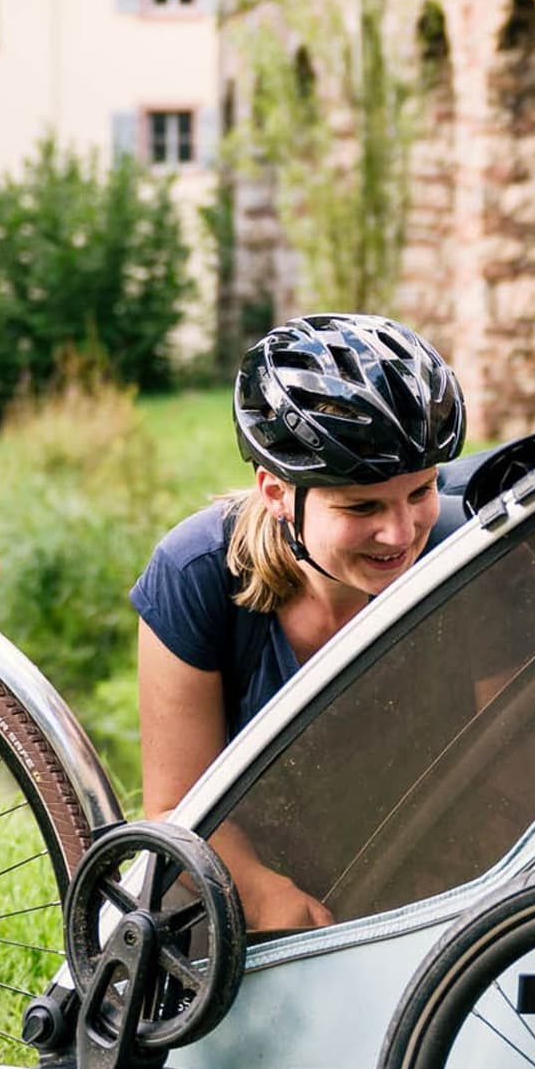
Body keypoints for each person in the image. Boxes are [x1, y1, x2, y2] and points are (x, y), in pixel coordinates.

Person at [130, 313, 469, 938]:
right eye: (362, 506)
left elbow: (532, 765)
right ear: (277, 491)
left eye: (422, 491)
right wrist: (260, 895)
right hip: (260, 877)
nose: (400, 534)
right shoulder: (196, 573)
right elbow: (178, 806)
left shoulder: (471, 556)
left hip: (438, 872)